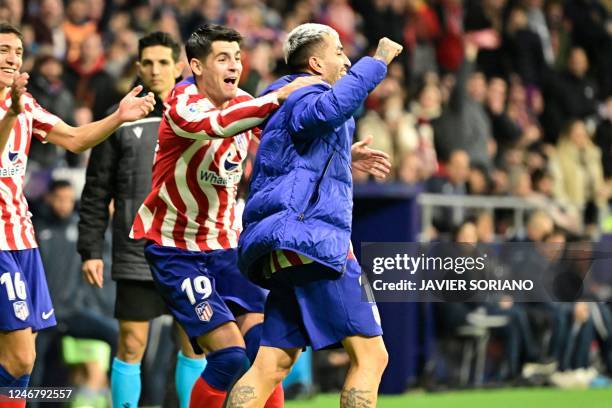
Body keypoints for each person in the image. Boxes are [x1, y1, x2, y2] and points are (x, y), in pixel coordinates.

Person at [129, 23, 323, 408]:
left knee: (267, 354)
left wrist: (347, 155)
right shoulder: (181, 103)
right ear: (197, 66)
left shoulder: (245, 102)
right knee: (229, 357)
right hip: (175, 249)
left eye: (237, 57)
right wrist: (279, 95)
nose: (234, 65)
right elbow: (214, 125)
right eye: (223, 58)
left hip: (224, 246)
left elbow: (286, 139)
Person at [227, 24, 402, 407]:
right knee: (372, 356)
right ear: (315, 62)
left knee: (271, 363)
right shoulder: (309, 91)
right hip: (312, 242)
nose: (346, 59)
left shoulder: (279, 98)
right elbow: (323, 111)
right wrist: (378, 62)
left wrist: (343, 154)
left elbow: (295, 142)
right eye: (338, 51)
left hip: (281, 245)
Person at [0, 22, 155, 406]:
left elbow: (74, 138)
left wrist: (118, 117)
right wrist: (11, 115)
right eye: (3, 49)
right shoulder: (15, 109)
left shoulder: (26, 105)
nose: (12, 58)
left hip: (22, 237)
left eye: (17, 52)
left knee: (22, 358)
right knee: (20, 358)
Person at [77, 31, 205, 408]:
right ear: (138, 67)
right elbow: (97, 189)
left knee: (193, 343)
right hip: (137, 251)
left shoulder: (197, 114)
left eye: (163, 62)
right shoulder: (117, 119)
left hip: (186, 246)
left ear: (178, 66)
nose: (154, 70)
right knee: (131, 344)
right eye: (147, 63)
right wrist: (90, 249)